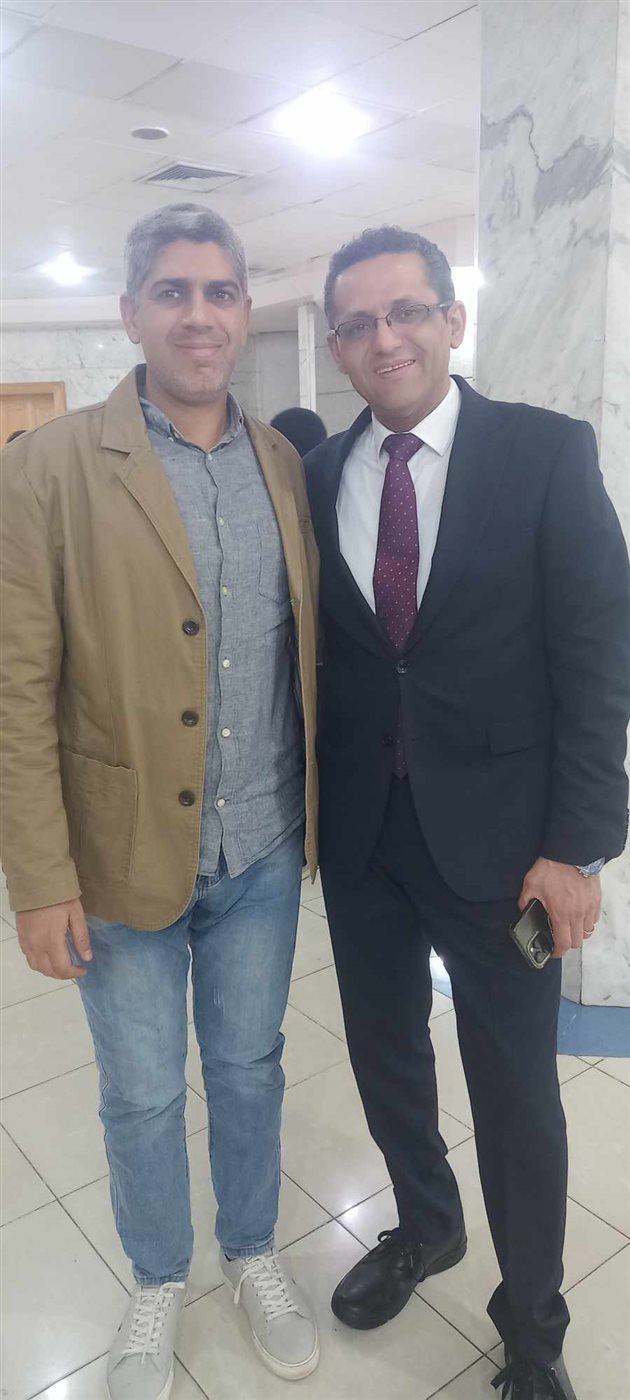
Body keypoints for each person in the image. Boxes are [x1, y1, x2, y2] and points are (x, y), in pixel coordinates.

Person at [0, 203, 321, 1400]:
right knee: (140, 1092)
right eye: (173, 291)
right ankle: (156, 1272)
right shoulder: (47, 467)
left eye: (220, 291)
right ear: (131, 311)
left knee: (250, 1067)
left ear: (243, 310)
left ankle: (251, 1248)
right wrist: (38, 879)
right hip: (119, 851)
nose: (200, 314)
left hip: (263, 844)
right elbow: (16, 688)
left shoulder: (281, 463)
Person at [304, 225, 630, 1400]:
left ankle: (532, 1322)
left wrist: (576, 845)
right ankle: (426, 1224)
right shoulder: (317, 475)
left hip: (504, 846)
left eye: (406, 311)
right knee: (387, 1052)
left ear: (452, 317)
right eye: (357, 322)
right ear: (338, 344)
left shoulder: (543, 452)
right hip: (364, 837)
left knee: (515, 1089)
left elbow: (599, 656)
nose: (383, 338)